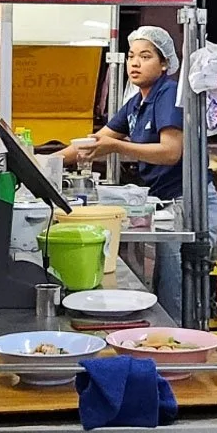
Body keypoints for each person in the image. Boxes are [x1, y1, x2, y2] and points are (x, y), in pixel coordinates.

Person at [71, 26, 187, 316]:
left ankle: (173, 343)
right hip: (161, 202)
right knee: (153, 274)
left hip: (183, 202)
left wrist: (118, 147)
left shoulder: (168, 93)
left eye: (145, 56)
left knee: (170, 281)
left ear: (164, 64)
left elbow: (171, 152)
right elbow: (97, 140)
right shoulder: (137, 102)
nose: (135, 63)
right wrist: (41, 159)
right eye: (132, 56)